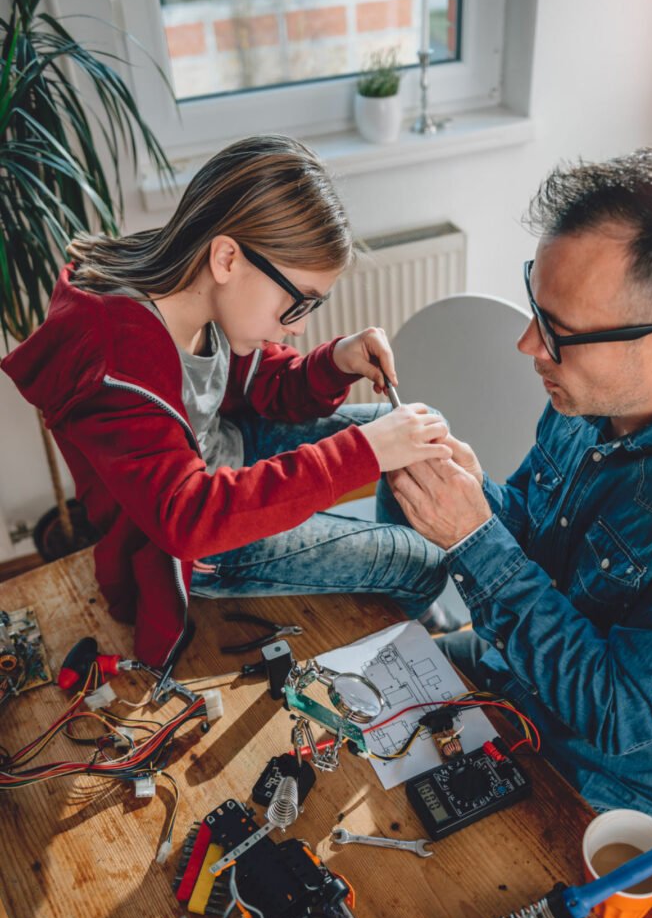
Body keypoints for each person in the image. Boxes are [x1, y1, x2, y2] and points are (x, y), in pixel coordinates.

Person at [389, 144, 652, 828]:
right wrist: (479, 495)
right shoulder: (589, 393)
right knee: (347, 705)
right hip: (517, 676)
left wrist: (473, 536)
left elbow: (618, 712)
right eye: (539, 306)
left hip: (612, 785)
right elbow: (539, 537)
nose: (529, 345)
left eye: (559, 330)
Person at [2, 135, 451, 668]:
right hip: (197, 542)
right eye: (296, 302)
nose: (302, 326)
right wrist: (361, 454)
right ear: (227, 258)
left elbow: (264, 387)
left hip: (229, 453)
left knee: (417, 428)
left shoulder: (190, 288)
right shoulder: (115, 360)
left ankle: (380, 583)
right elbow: (186, 517)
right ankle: (407, 637)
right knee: (424, 562)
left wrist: (337, 361)